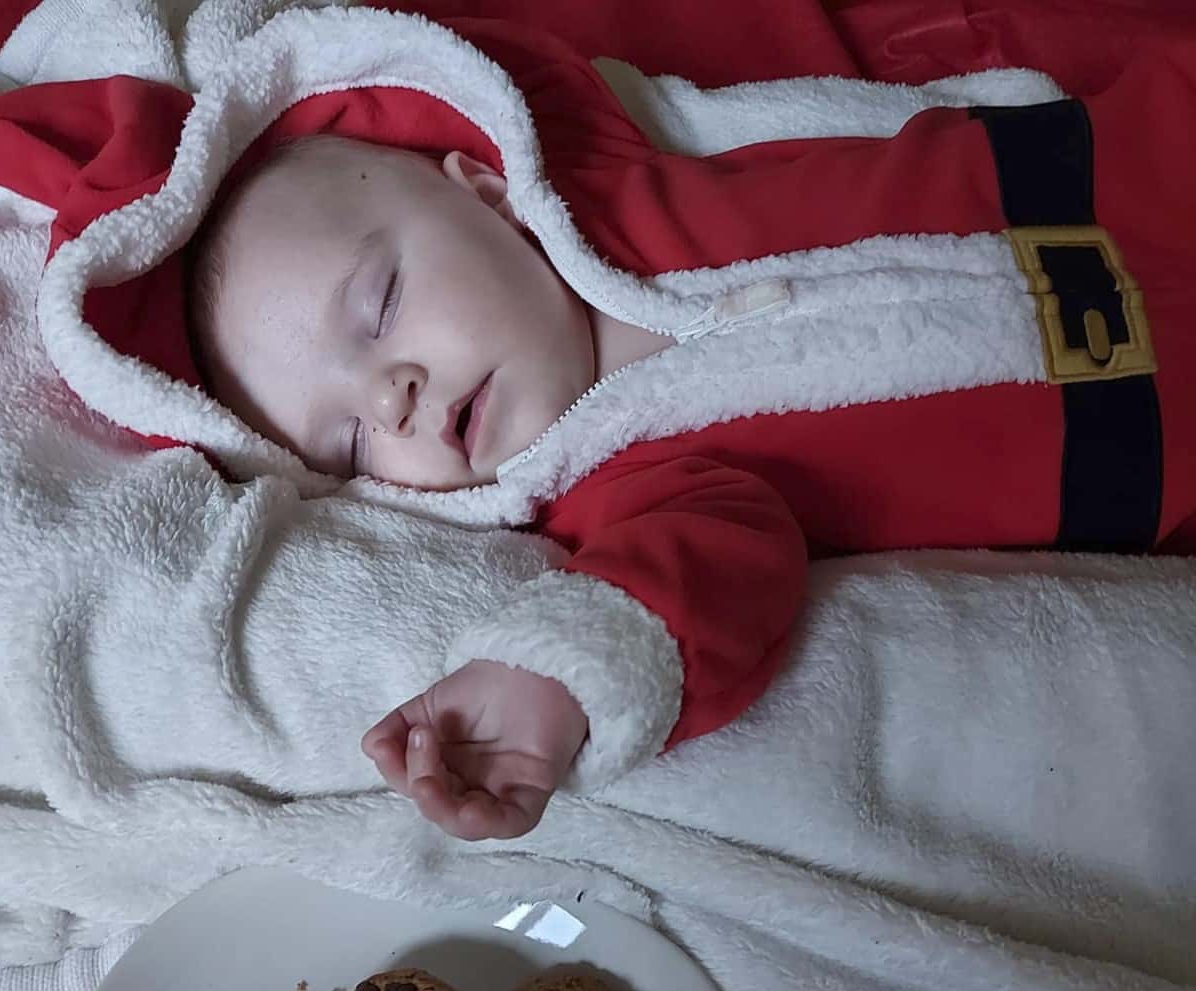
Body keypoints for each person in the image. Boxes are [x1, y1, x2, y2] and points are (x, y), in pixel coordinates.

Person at [185, 38, 1196, 845]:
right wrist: (555, 672)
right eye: (351, 442)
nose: (392, 396)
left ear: (484, 191)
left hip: (1132, 162)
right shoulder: (615, 497)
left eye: (380, 302)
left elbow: (486, 66)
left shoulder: (628, 179)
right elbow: (700, 581)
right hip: (1151, 446)